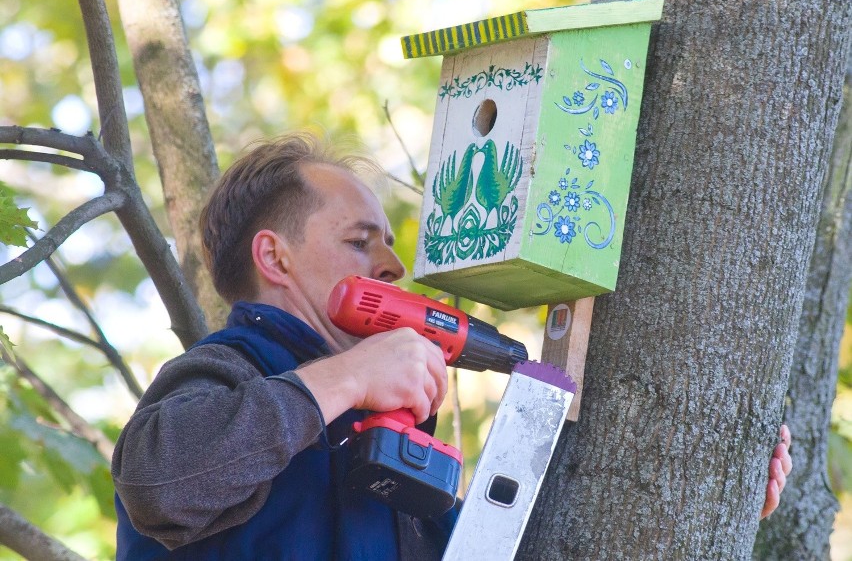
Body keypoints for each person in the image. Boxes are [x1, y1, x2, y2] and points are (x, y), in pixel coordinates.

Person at [112, 132, 792, 560]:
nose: (391, 266)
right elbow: (158, 482)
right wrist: (347, 377)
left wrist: (707, 496)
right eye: (359, 240)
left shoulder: (387, 442)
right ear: (275, 258)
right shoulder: (224, 373)